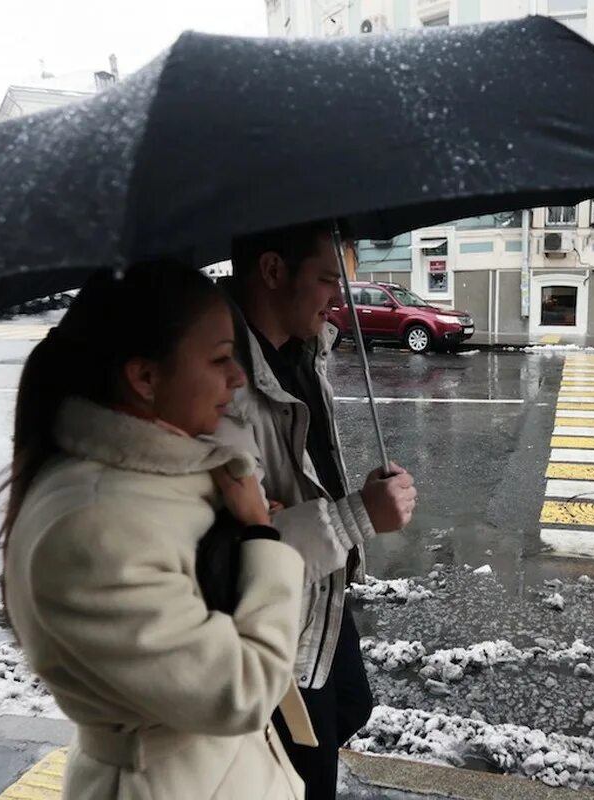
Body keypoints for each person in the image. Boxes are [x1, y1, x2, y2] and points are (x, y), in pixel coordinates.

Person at [0, 265, 311, 799]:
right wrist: (257, 537)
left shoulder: (163, 477)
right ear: (145, 378)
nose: (238, 377)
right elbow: (242, 689)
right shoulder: (93, 529)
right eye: (219, 357)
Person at [215, 222, 418, 800]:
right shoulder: (220, 376)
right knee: (308, 779)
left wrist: (356, 500)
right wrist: (357, 516)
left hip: (320, 593)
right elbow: (239, 549)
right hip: (272, 624)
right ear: (274, 271)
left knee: (354, 704)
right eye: (328, 278)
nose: (338, 297)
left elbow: (292, 478)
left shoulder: (302, 350)